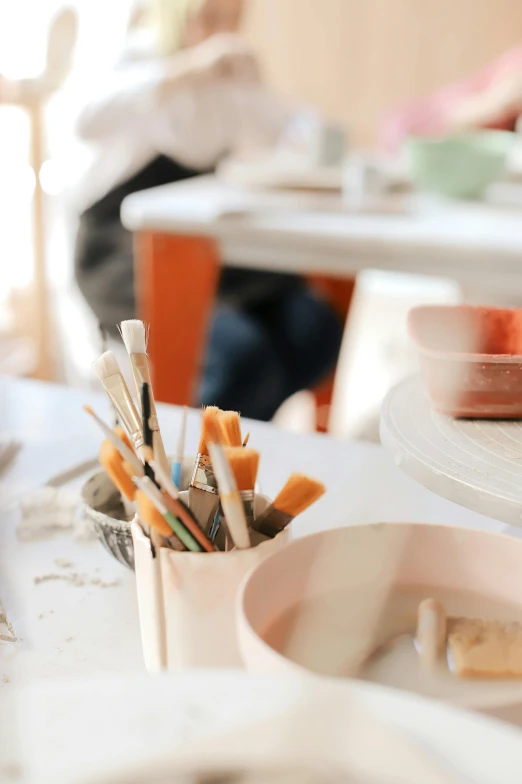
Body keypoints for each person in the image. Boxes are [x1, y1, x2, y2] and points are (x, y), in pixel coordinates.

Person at [72, 0, 342, 421]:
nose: (223, 29)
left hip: (203, 252)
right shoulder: (142, 57)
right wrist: (184, 71)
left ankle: (231, 455)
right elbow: (83, 119)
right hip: (122, 255)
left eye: (233, 17)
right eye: (211, 15)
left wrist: (256, 87)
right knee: (243, 357)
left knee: (315, 330)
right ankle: (194, 472)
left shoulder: (228, 83)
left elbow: (294, 129)